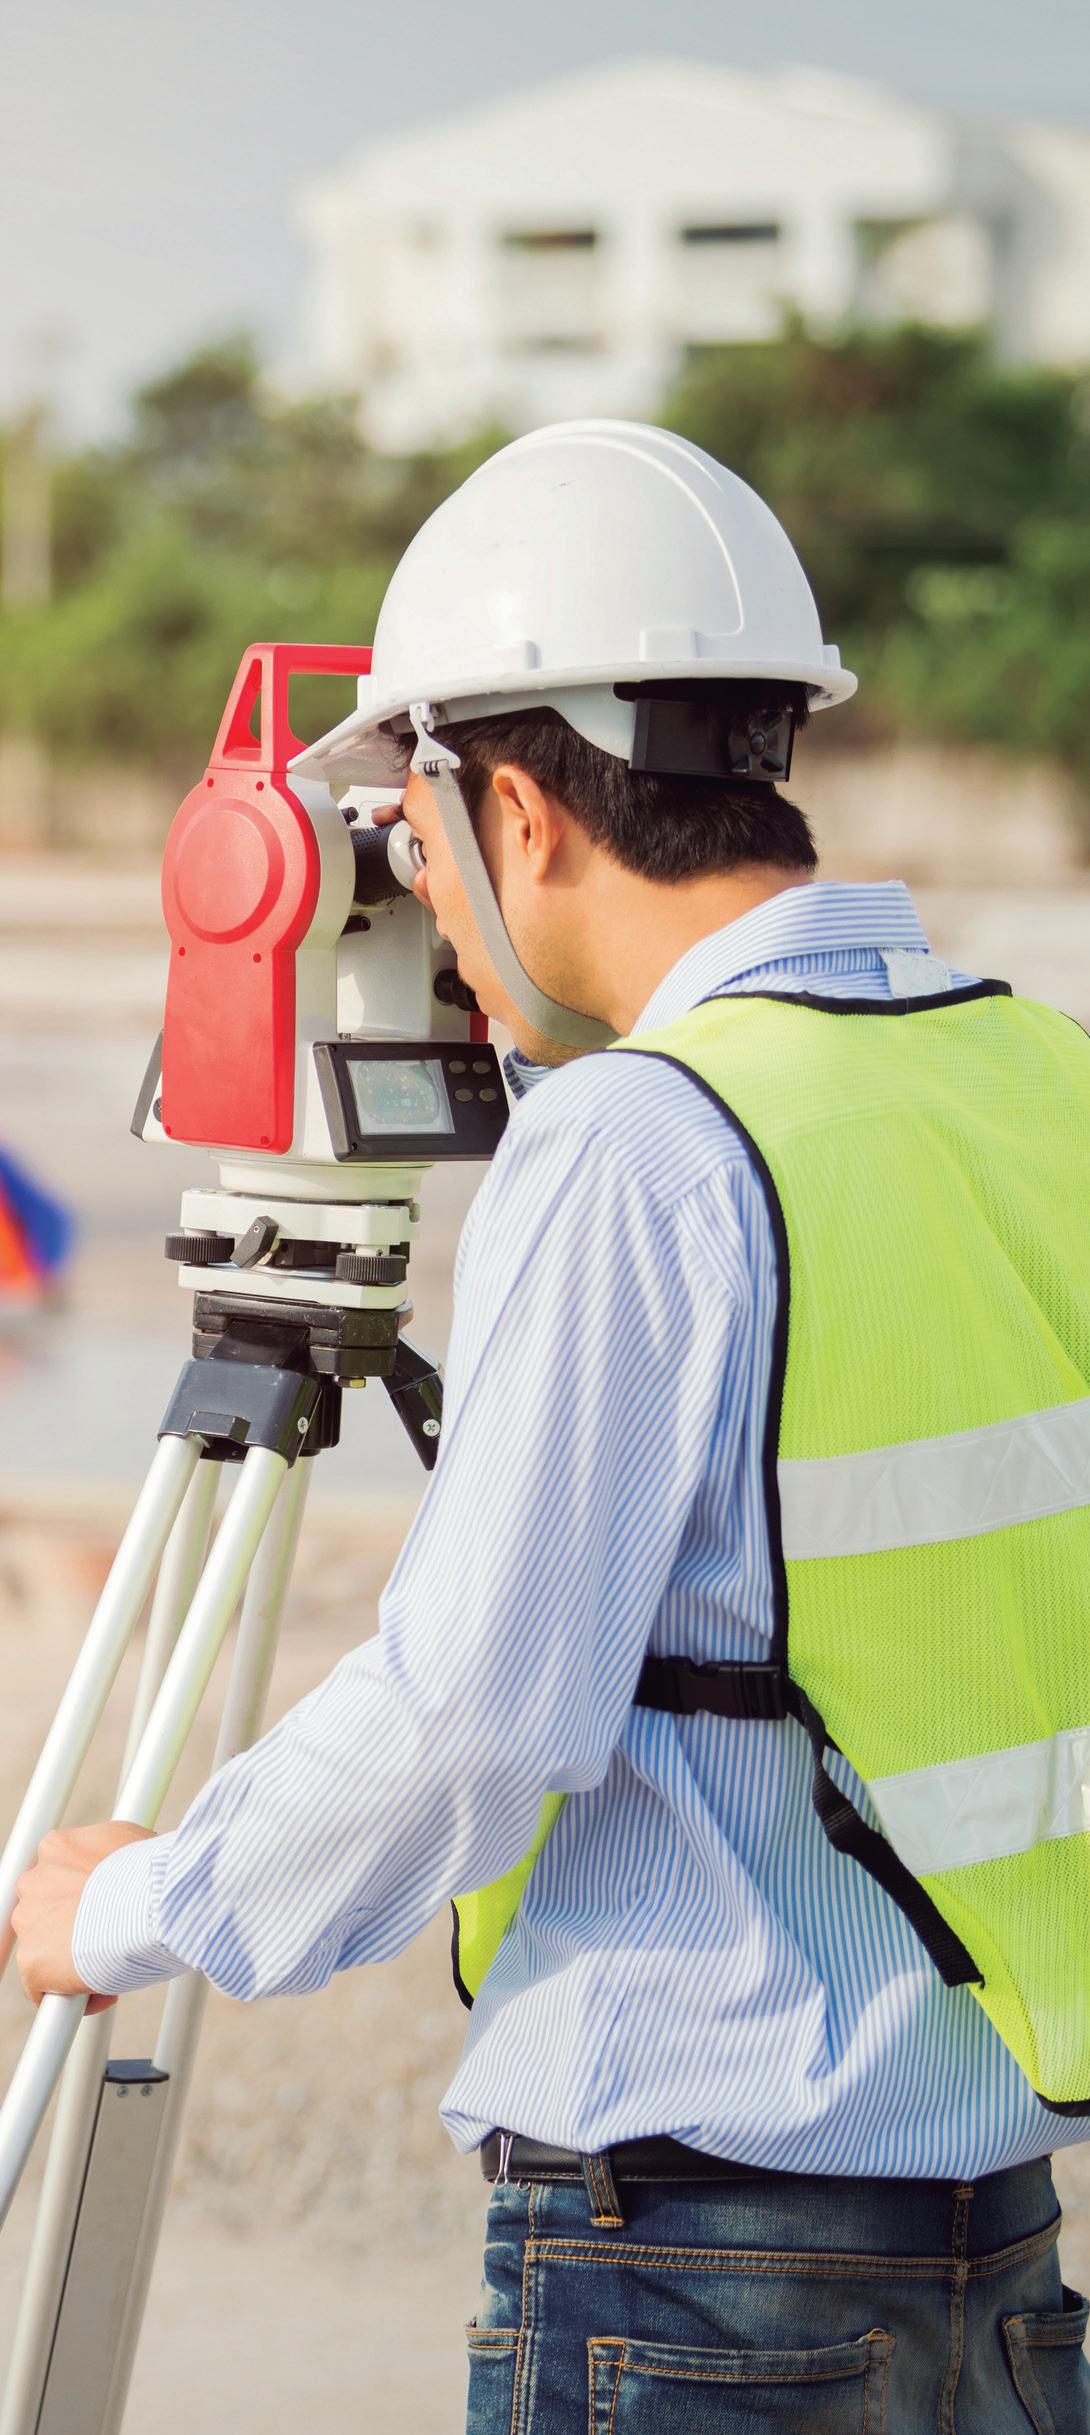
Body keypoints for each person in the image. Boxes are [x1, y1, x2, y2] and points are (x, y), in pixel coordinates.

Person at [9, 422, 1090, 2431]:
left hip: (694, 2276)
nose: (416, 896)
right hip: (999, 2260)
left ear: (513, 805)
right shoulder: (1038, 1076)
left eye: (416, 838)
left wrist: (133, 1908)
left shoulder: (641, 1148)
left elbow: (475, 1719)